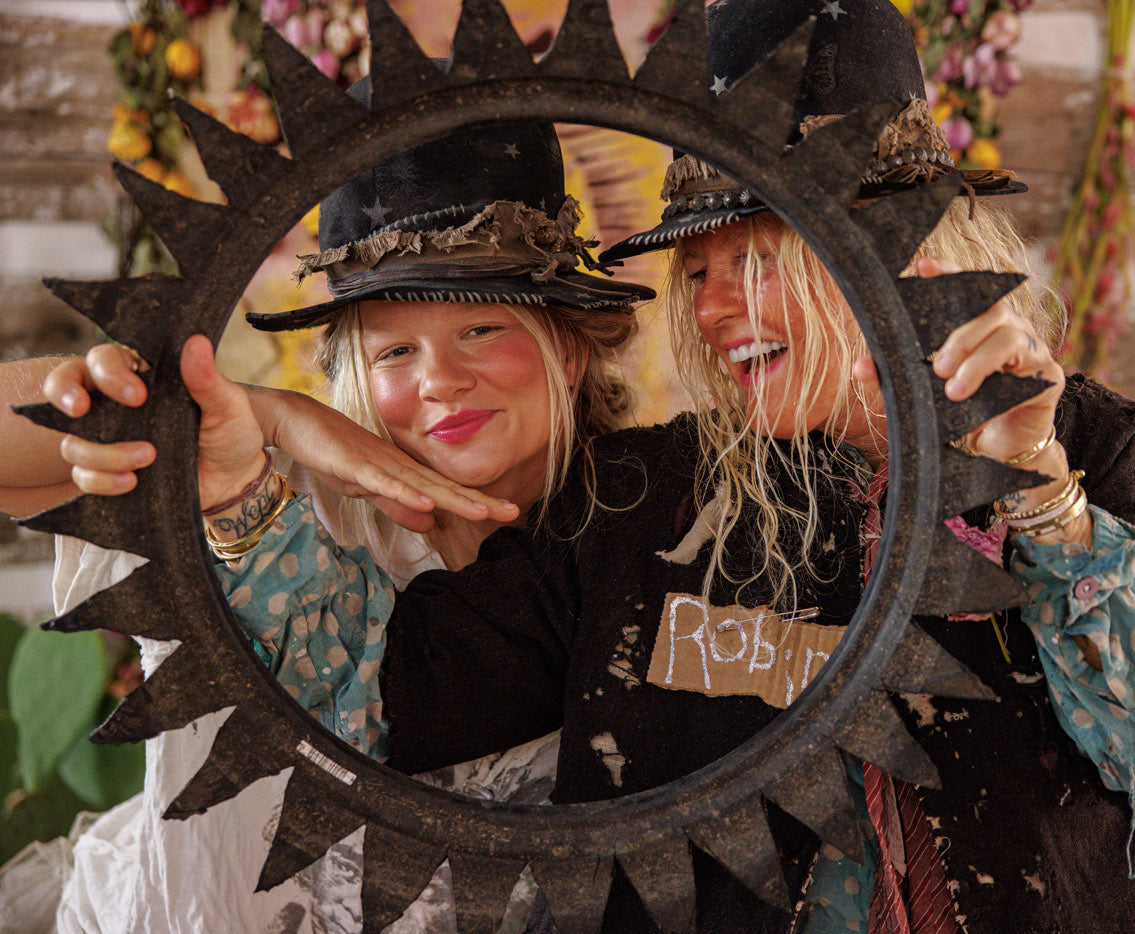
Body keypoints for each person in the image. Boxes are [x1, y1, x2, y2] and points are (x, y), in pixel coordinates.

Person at [53, 3, 1135, 932]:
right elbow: (379, 697)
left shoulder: (1077, 441)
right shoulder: (641, 495)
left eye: (761, 254)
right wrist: (240, 485)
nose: (719, 306)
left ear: (897, 241)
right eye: (702, 265)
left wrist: (1039, 491)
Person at [3, 94, 651, 933]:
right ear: (353, 372)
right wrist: (270, 412)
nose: (439, 379)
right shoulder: (268, 504)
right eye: (395, 349)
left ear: (565, 348)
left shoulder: (648, 534)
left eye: (482, 327)